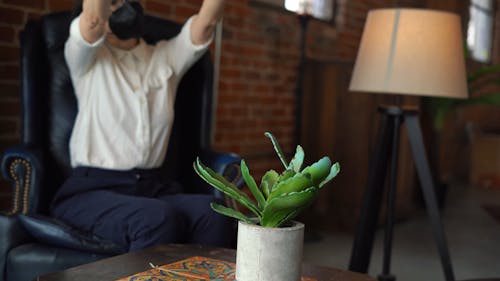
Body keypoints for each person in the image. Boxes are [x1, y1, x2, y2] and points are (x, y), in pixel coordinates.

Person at [50, 0, 234, 252]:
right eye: (113, 3)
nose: (122, 5)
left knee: (214, 213)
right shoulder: (85, 57)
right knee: (155, 218)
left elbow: (206, 23)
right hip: (92, 189)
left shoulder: (166, 57)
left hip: (152, 188)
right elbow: (92, 20)